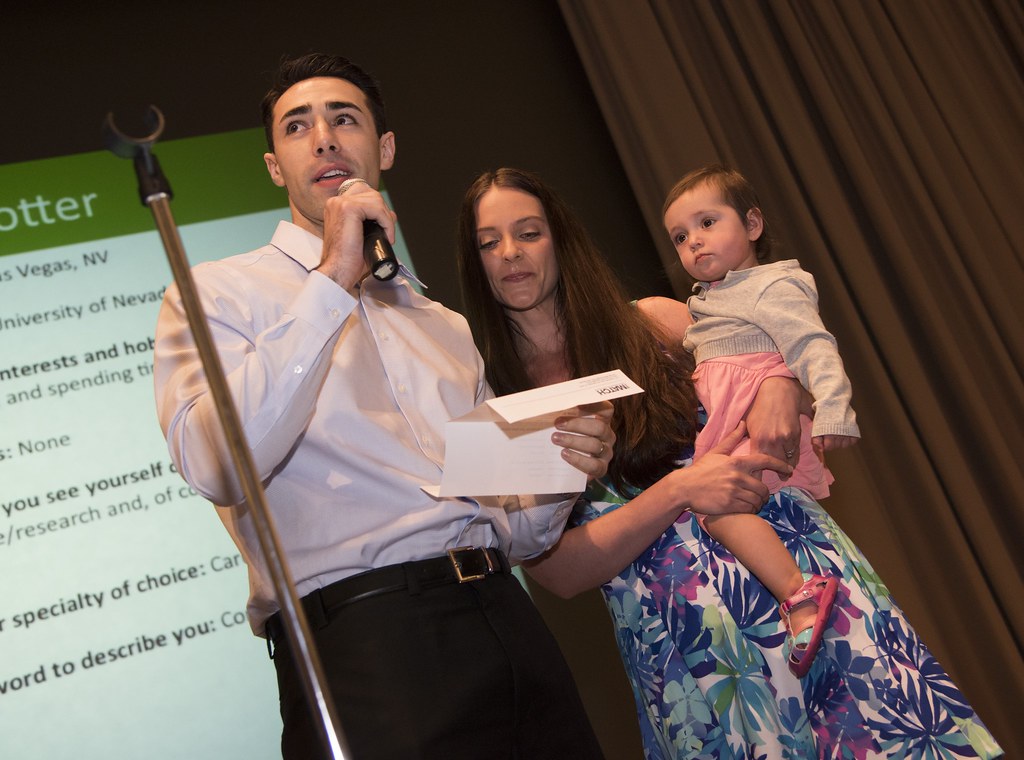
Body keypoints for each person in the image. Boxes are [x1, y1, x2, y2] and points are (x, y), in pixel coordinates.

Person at [153, 55, 614, 760]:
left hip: (506, 618)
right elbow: (218, 462)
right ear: (276, 166)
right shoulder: (216, 293)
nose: (326, 139)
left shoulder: (442, 323)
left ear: (385, 148)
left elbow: (512, 528)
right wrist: (334, 279)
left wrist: (562, 470)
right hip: (367, 641)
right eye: (298, 126)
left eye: (345, 118)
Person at [456, 167, 1003, 759]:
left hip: (796, 582)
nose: (510, 253)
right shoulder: (493, 404)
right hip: (686, 644)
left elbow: (782, 364)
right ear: (474, 260)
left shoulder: (654, 322)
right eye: (489, 241)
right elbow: (557, 573)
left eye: (529, 232)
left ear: (560, 240)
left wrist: (782, 384)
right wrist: (682, 489)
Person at [663, 163, 862, 677]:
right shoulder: (711, 302)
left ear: (752, 225)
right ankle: (798, 593)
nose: (695, 243)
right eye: (681, 237)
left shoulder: (771, 285)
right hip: (735, 426)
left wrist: (833, 408)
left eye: (708, 223)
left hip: (760, 426)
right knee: (716, 507)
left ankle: (800, 594)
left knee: (717, 511)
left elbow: (812, 345)